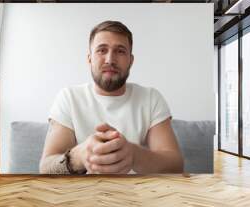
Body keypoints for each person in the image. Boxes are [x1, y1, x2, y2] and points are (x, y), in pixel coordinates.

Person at [39, 20, 183, 174]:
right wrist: (80, 156)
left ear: (131, 61)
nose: (110, 59)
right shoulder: (68, 98)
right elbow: (46, 167)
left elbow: (175, 165)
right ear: (89, 59)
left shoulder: (150, 98)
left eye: (120, 51)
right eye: (102, 50)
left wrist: (134, 155)